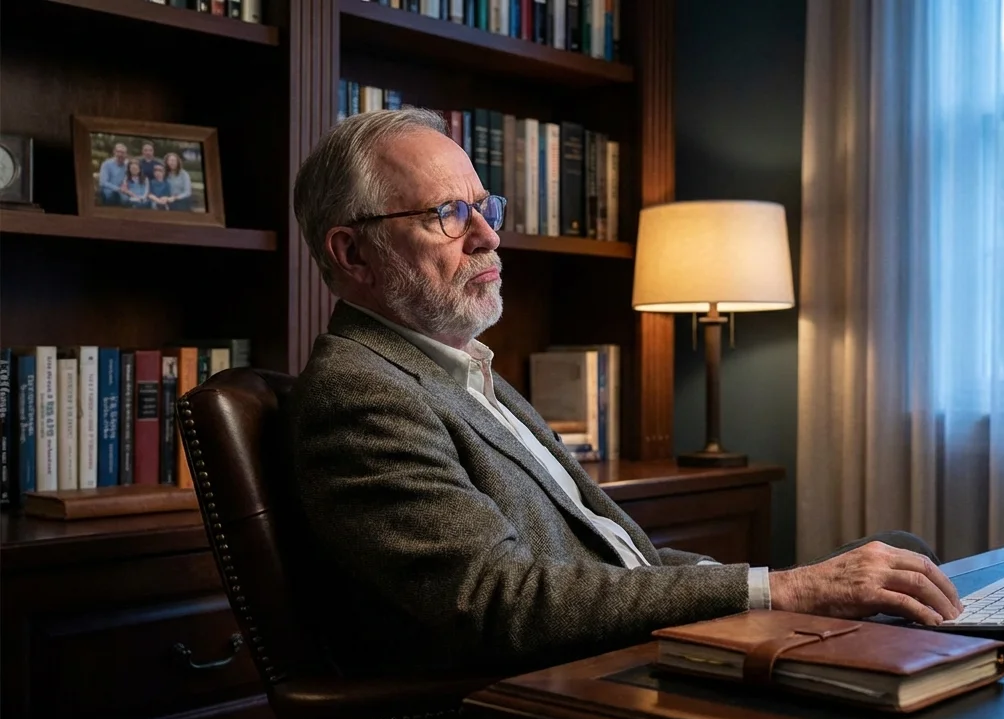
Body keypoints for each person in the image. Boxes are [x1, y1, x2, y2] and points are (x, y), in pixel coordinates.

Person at [289, 108, 963, 678]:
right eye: (447, 214)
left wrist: (783, 590)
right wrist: (778, 591)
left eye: (483, 207)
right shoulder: (362, 395)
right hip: (583, 692)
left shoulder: (463, 370)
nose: (489, 236)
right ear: (353, 253)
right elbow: (502, 602)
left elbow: (622, 556)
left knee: (900, 561)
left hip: (636, 652)